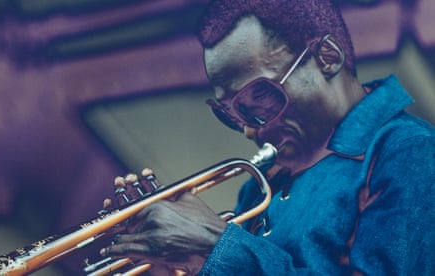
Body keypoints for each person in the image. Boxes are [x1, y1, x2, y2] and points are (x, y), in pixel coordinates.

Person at [99, 0, 435, 275]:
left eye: (260, 99)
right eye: (229, 114)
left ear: (328, 57)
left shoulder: (409, 151)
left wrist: (216, 244)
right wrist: (180, 261)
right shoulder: (258, 189)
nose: (249, 130)